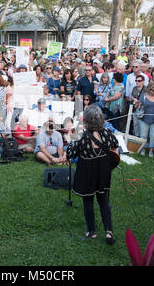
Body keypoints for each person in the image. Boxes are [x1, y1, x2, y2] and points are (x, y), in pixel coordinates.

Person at [66, 105, 118, 244]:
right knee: (103, 200)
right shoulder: (107, 132)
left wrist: (71, 141)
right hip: (103, 170)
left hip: (87, 171)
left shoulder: (80, 135)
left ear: (86, 120)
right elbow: (116, 143)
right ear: (101, 118)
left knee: (88, 200)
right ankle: (109, 231)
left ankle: (92, 231)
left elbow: (70, 154)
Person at [136, 83, 154, 157]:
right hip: (144, 119)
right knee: (143, 135)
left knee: (153, 136)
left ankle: (151, 150)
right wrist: (137, 105)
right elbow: (139, 106)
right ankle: (143, 149)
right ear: (149, 90)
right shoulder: (143, 96)